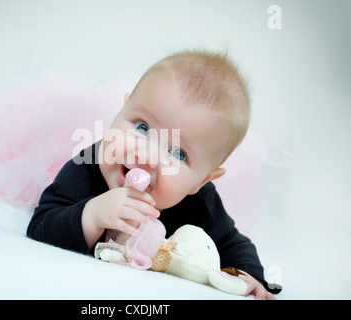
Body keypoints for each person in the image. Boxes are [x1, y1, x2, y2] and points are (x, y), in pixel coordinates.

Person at [27, 49, 280, 299]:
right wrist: (92, 215)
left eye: (178, 153)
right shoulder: (89, 165)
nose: (146, 156)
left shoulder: (200, 203)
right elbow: (40, 226)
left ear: (201, 181)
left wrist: (248, 277)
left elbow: (235, 245)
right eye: (142, 127)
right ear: (122, 109)